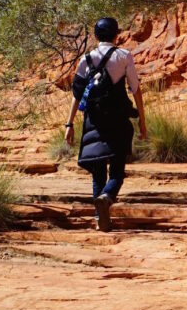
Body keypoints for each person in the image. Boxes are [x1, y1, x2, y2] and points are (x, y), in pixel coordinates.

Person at [63, 16, 147, 232]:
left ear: (96, 35)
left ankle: (101, 219)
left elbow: (77, 94)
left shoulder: (86, 59)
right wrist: (143, 123)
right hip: (118, 121)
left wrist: (69, 124)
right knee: (117, 171)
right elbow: (135, 90)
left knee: (97, 172)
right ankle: (107, 196)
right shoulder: (124, 56)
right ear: (116, 34)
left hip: (93, 121)